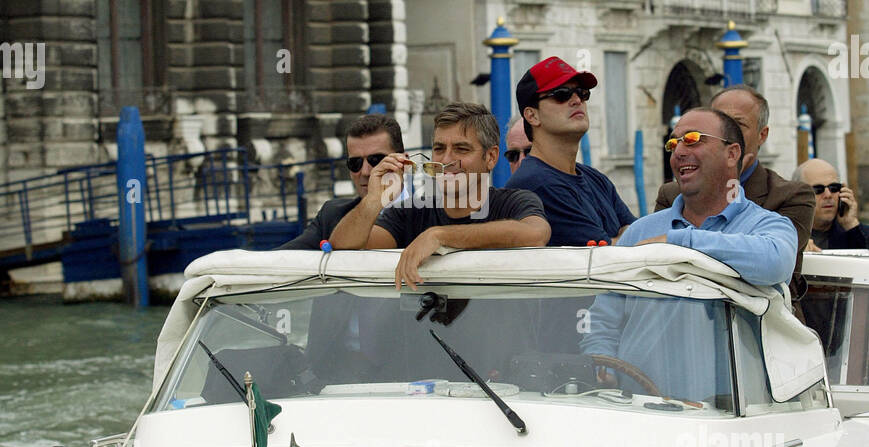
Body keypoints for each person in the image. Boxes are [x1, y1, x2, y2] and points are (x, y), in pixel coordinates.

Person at [581, 109, 798, 403]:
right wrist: (602, 361)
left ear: (732, 153)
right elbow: (602, 316)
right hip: (639, 411)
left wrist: (678, 242)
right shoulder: (640, 233)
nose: (679, 151)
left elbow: (774, 263)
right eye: (673, 144)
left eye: (693, 140)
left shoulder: (768, 227)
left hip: (732, 418)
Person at [329, 101, 550, 288]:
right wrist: (375, 199)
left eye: (461, 149)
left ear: (491, 157)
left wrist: (439, 236)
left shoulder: (514, 202)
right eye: (439, 149)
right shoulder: (410, 212)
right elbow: (344, 246)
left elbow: (536, 235)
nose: (445, 160)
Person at [655, 86, 814, 307]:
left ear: (762, 135)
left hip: (762, 322)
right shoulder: (672, 194)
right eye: (721, 122)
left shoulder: (791, 196)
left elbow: (771, 264)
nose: (729, 132)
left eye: (739, 124)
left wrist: (730, 173)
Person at [503, 56, 635, 244]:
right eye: (561, 94)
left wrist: (624, 238)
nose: (576, 100)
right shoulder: (535, 183)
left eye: (582, 93)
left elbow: (637, 232)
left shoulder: (596, 178)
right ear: (532, 115)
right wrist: (623, 237)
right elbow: (610, 254)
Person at [281, 113, 404, 249]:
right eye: (355, 163)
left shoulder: (426, 212)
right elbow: (281, 259)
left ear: (404, 161)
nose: (365, 172)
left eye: (376, 160)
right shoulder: (331, 214)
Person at [794, 159, 869, 251]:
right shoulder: (785, 235)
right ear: (799, 195)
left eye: (834, 187)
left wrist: (851, 225)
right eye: (818, 189)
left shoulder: (855, 231)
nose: (828, 195)